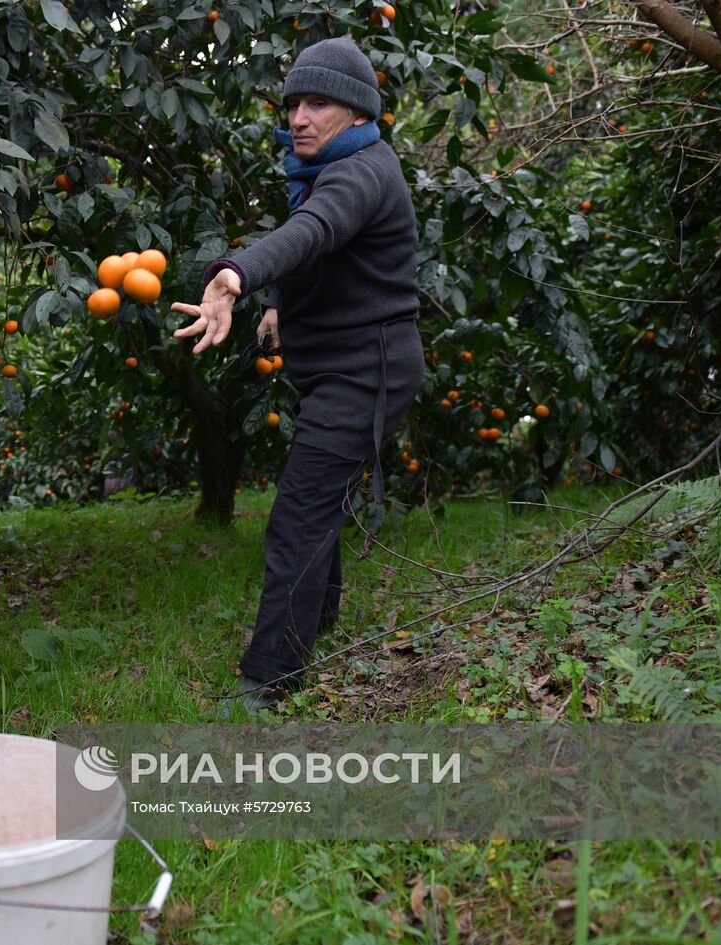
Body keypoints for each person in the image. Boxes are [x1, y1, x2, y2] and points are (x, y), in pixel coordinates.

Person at [170, 36, 425, 715]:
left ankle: (269, 680)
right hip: (343, 366)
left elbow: (313, 231)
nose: (300, 118)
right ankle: (320, 619)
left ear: (357, 111)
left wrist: (237, 274)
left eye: (318, 104)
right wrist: (279, 303)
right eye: (292, 105)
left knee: (297, 516)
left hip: (364, 373)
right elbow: (321, 246)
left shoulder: (360, 172)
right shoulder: (332, 166)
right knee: (322, 495)